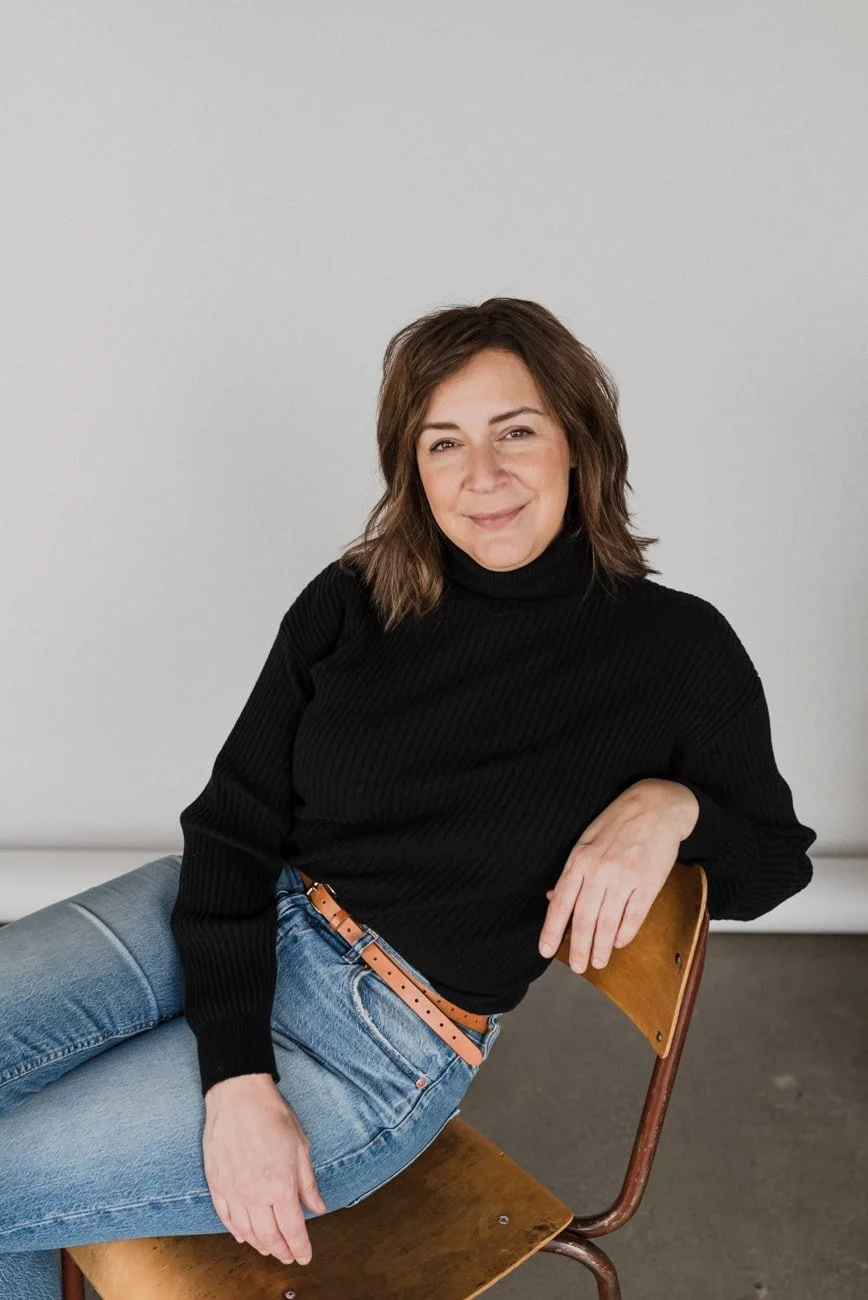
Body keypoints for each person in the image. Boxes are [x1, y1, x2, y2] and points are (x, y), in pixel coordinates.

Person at [0, 298, 816, 1299]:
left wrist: (674, 801)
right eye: (444, 443)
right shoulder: (354, 599)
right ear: (411, 468)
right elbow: (231, 827)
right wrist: (235, 1077)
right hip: (229, 917)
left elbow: (772, 861)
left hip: (374, 1043)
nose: (483, 475)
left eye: (515, 430)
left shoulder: (677, 650)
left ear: (579, 442)